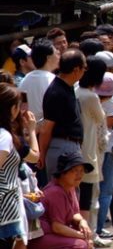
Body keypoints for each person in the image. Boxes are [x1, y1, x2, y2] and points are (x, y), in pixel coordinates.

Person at [27, 152, 94, 249]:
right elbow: (57, 227)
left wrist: (83, 222)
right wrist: (84, 237)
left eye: (81, 170)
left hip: (52, 235)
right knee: (80, 246)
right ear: (63, 173)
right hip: (39, 238)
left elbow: (75, 213)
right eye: (74, 170)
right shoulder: (55, 191)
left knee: (79, 231)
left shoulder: (70, 186)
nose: (79, 174)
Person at [0, 84, 36, 249]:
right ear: (12, 109)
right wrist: (31, 130)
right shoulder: (5, 136)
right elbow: (35, 157)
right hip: (5, 204)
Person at [75, 56, 109, 248]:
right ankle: (90, 237)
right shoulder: (90, 96)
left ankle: (88, 236)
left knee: (80, 198)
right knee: (90, 197)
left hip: (78, 149)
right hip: (90, 151)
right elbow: (100, 118)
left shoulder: (76, 91)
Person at [38, 49, 86, 178]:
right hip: (62, 147)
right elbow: (46, 129)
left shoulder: (67, 86)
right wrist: (42, 154)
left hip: (71, 146)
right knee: (62, 192)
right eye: (84, 68)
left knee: (72, 195)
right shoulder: (56, 92)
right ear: (76, 69)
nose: (84, 71)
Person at [95, 72, 113, 241]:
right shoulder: (108, 101)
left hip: (89, 148)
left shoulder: (84, 95)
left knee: (92, 191)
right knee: (105, 191)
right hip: (106, 147)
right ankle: (97, 228)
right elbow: (111, 121)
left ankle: (95, 228)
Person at [19, 39, 59, 124]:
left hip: (30, 129)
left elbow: (22, 107)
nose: (58, 56)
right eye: (56, 53)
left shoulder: (24, 80)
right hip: (49, 130)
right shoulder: (53, 81)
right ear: (48, 57)